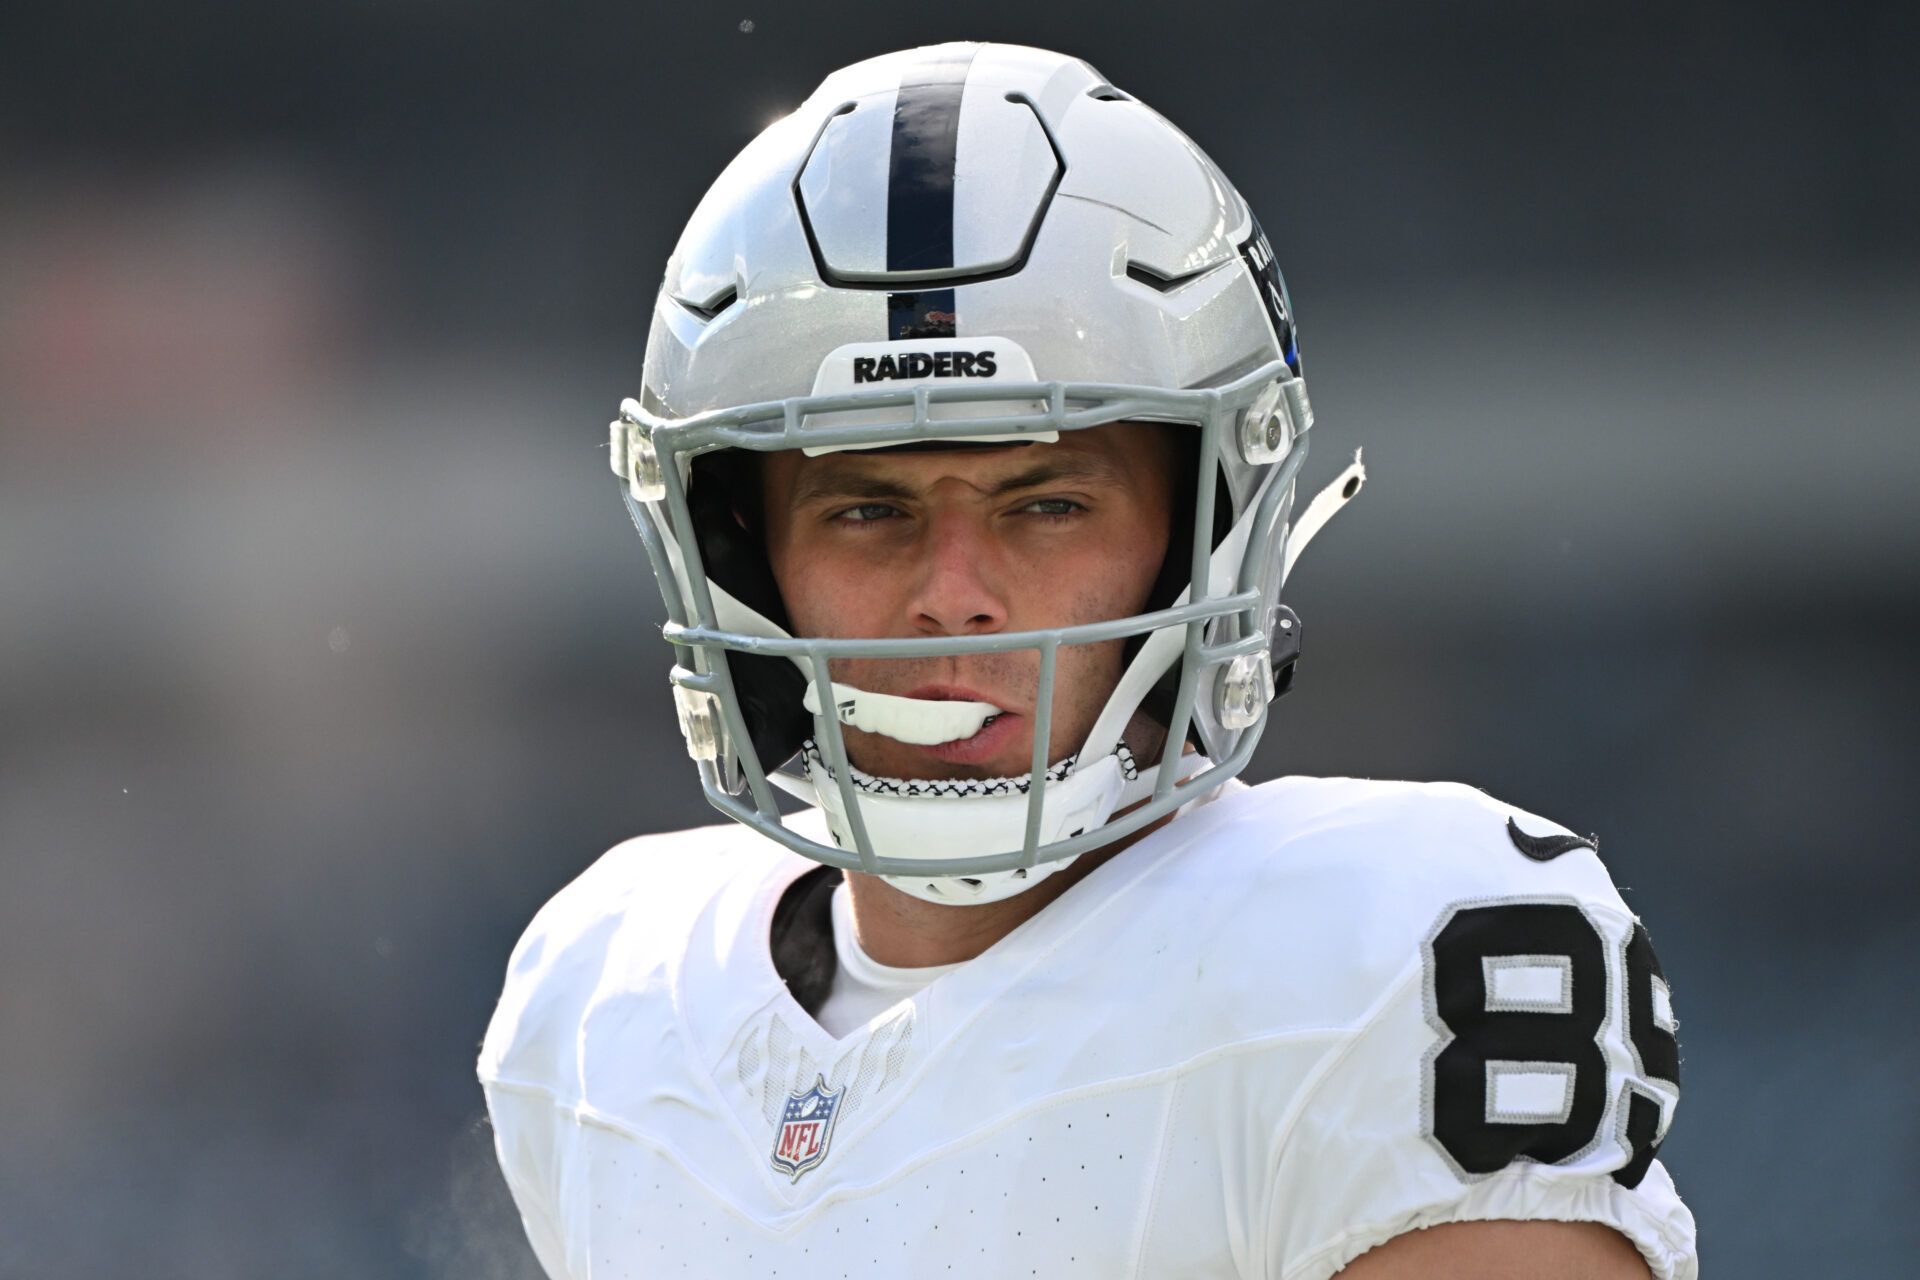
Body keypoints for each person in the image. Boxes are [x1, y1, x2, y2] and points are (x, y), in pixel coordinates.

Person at [479, 42, 1697, 1278]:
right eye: (867, 509)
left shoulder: (1393, 944)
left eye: (1046, 502)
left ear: (1201, 538)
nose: (954, 596)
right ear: (742, 559)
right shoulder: (607, 999)